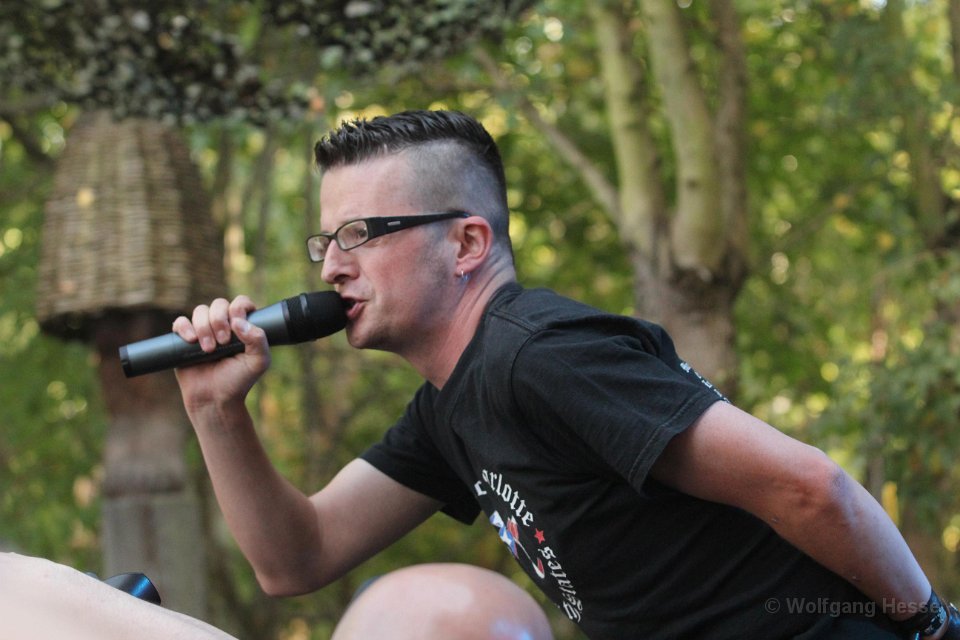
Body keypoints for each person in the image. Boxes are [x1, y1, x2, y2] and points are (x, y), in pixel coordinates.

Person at [170, 109, 959, 639]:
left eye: (360, 234)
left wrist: (929, 624)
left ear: (467, 244)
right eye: (326, 242)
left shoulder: (542, 355)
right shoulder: (449, 407)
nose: (332, 267)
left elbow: (811, 487)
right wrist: (216, 412)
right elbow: (297, 558)